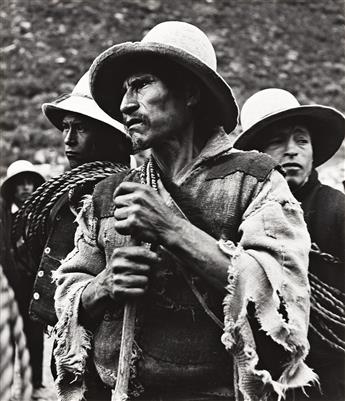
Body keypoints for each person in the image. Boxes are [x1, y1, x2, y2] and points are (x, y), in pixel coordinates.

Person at [53, 22, 316, 401]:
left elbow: (280, 301)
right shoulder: (108, 194)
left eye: (141, 84)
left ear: (190, 92)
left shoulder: (253, 179)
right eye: (126, 89)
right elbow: (66, 292)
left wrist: (172, 229)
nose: (126, 104)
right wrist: (102, 286)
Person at [234, 88, 345, 401]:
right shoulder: (242, 220)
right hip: (260, 378)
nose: (292, 150)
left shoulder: (336, 210)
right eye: (277, 141)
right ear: (256, 155)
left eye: (301, 140)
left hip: (329, 382)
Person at [13, 70, 132, 329]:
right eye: (65, 127)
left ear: (109, 134)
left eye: (80, 128)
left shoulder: (123, 195)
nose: (68, 139)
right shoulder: (70, 192)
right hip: (64, 324)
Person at [0, 160, 45, 392]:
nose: (26, 188)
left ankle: (35, 383)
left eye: (30, 183)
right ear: (12, 188)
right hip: (8, 286)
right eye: (21, 184)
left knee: (35, 336)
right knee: (7, 338)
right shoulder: (3, 215)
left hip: (32, 286)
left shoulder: (41, 215)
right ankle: (6, 385)